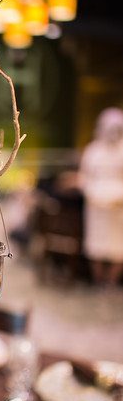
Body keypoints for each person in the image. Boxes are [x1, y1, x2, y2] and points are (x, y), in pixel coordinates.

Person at [79, 108, 123, 285]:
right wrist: (92, 193)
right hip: (95, 207)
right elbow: (84, 177)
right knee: (95, 246)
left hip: (118, 209)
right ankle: (98, 280)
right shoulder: (93, 151)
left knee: (117, 247)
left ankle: (111, 281)